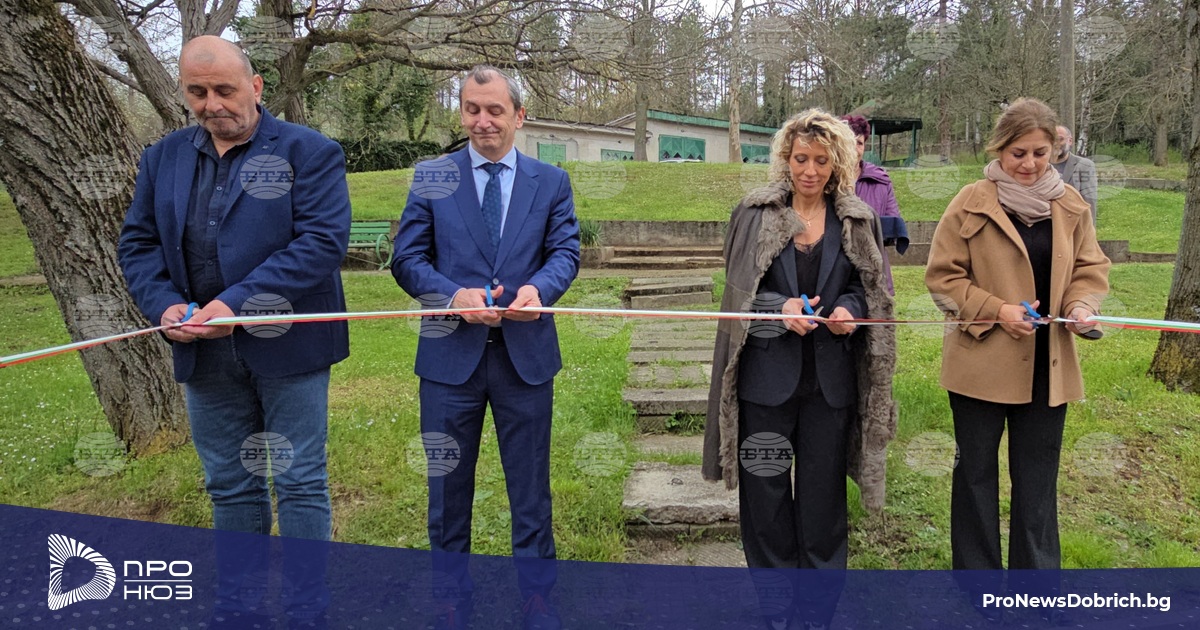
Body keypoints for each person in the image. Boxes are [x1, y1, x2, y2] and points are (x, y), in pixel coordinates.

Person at [118, 36, 350, 628]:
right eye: (197, 92)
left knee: (299, 481)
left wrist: (235, 304)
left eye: (224, 89)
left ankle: (306, 609)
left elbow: (321, 243)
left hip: (291, 348)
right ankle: (241, 605)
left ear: (256, 86)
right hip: (203, 353)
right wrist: (166, 307)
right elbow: (139, 245)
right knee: (228, 483)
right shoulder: (162, 158)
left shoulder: (310, 152)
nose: (212, 104)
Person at [392, 64, 580, 629]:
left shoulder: (551, 181)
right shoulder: (433, 176)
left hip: (526, 359)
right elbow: (407, 259)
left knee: (530, 486)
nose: (483, 121)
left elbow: (565, 252)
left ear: (519, 116)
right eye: (472, 109)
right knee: (447, 489)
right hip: (450, 360)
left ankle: (537, 598)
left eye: (495, 110)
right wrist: (451, 295)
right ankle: (450, 597)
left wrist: (539, 289)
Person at [703, 109, 897, 630]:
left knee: (822, 501)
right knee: (765, 500)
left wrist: (850, 312)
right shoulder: (754, 213)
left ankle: (815, 611)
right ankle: (776, 606)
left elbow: (867, 287)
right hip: (765, 381)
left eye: (821, 160)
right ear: (785, 159)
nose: (810, 170)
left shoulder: (857, 218)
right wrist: (778, 308)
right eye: (800, 158)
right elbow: (739, 290)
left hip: (830, 386)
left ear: (838, 163)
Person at [924, 98, 1110, 578]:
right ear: (999, 150)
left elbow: (1090, 269)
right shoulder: (969, 202)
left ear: (1055, 151)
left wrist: (1081, 305)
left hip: (1048, 369)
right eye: (1018, 153)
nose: (1029, 164)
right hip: (979, 367)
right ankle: (978, 586)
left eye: (1040, 153)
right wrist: (996, 310)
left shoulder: (1071, 205)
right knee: (975, 477)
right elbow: (942, 280)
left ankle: (1037, 587)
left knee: (1038, 481)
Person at [842, 114, 907, 293]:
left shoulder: (881, 180)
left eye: (859, 143)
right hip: (837, 272)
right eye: (848, 142)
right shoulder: (824, 180)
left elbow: (893, 222)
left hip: (873, 270)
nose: (854, 149)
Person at [1051, 125, 1099, 224]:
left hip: (1072, 224)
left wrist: (1089, 229)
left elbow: (1089, 202)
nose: (1055, 143)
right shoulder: (1039, 165)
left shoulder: (1084, 165)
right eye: (1052, 139)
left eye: (1060, 139)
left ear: (1070, 141)